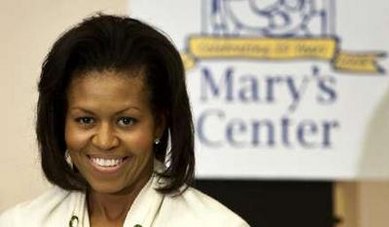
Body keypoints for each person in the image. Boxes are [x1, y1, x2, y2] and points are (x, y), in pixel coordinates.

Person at [0, 14, 249, 227]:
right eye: (85, 120)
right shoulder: (21, 222)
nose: (105, 141)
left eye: (126, 121)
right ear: (60, 123)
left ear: (159, 123)